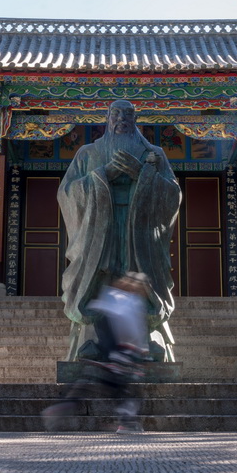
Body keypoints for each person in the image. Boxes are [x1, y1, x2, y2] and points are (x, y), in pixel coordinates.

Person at [57, 99, 181, 362]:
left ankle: (146, 338)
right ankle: (94, 338)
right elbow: (67, 192)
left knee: (138, 278)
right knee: (101, 277)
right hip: (100, 229)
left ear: (135, 119)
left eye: (128, 114)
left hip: (140, 229)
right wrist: (104, 174)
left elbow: (173, 194)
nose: (122, 118)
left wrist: (142, 174)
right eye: (116, 113)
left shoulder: (155, 153)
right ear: (108, 117)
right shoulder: (88, 153)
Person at [42, 272, 151, 434]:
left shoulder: (112, 295)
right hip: (122, 351)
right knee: (124, 390)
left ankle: (62, 406)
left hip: (109, 347)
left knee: (98, 384)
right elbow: (132, 328)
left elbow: (100, 312)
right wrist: (140, 351)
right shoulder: (131, 301)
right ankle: (126, 423)